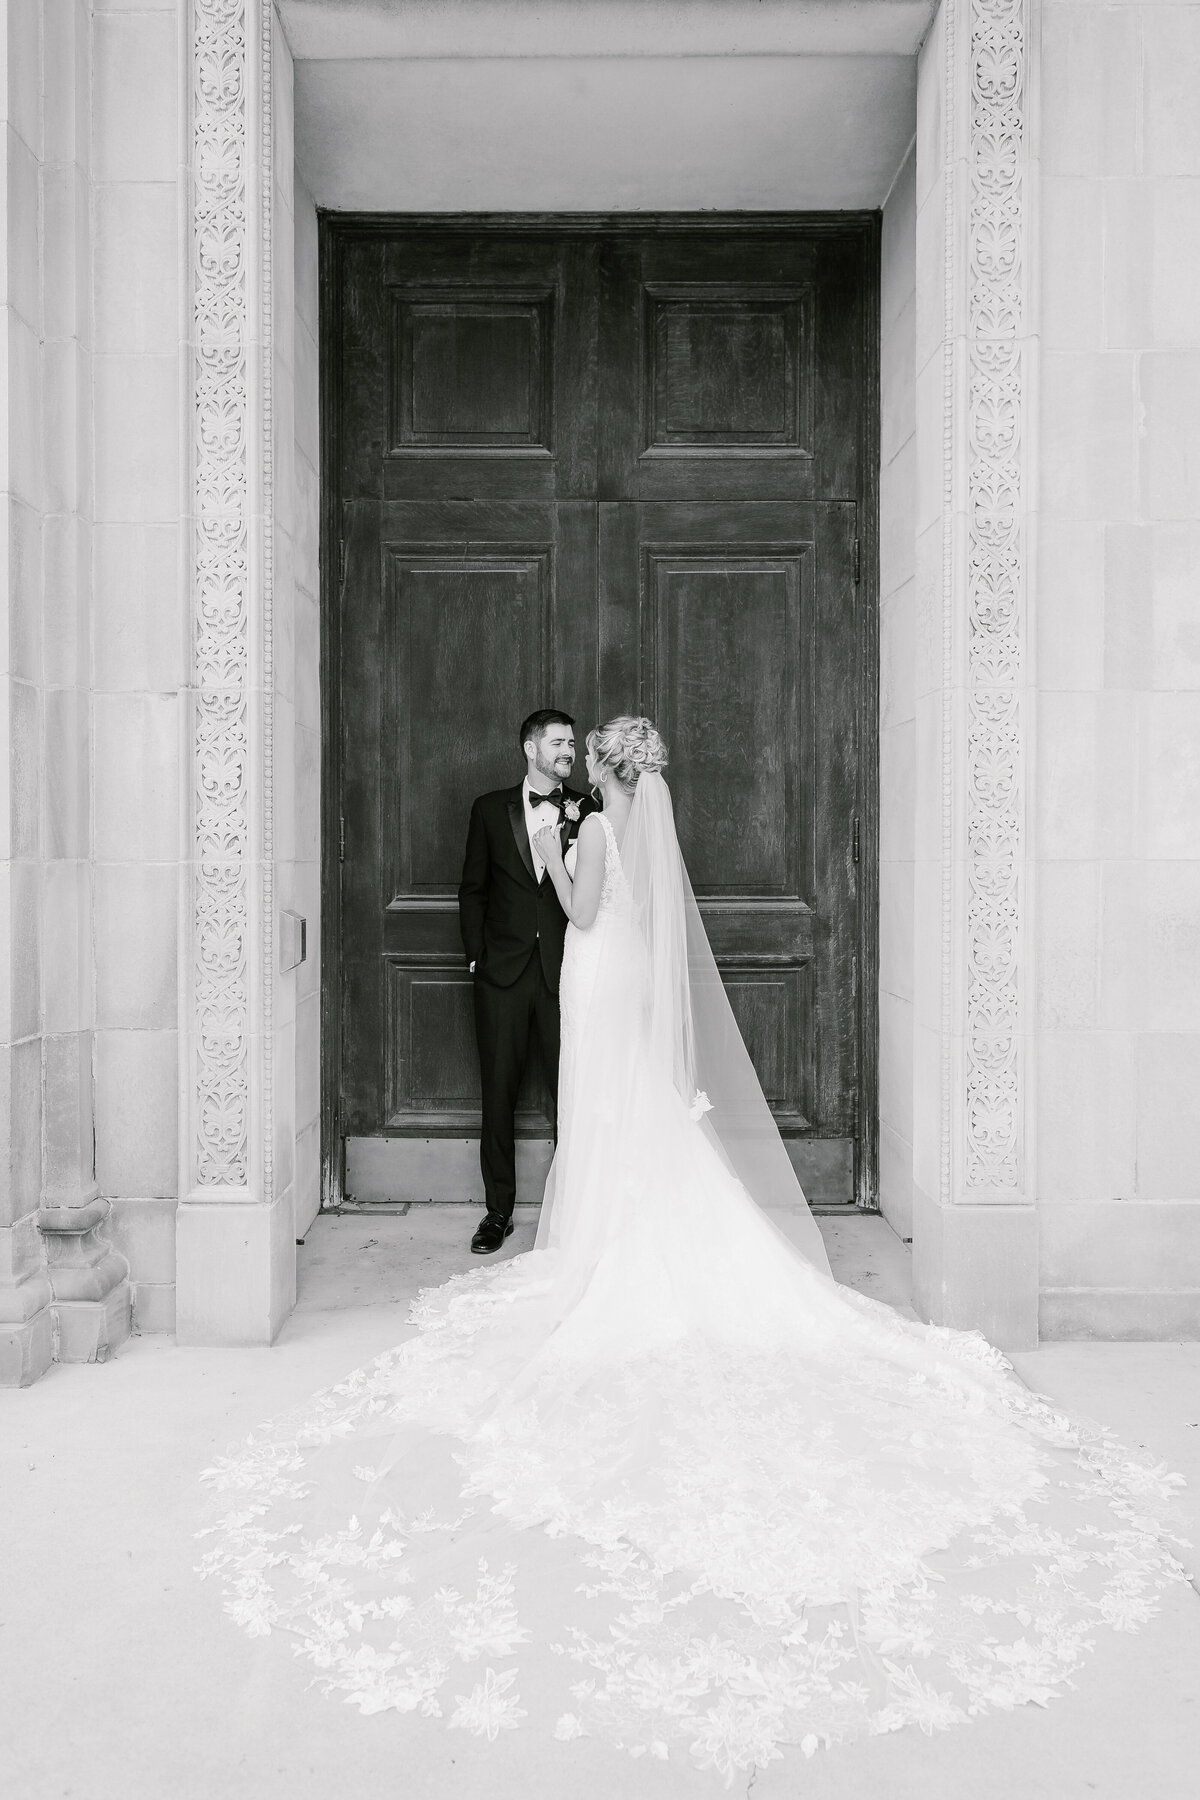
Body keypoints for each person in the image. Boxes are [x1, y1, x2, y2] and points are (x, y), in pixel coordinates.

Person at [200, 717, 1184, 1781]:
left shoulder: (589, 836)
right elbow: (632, 924)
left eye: (591, 758)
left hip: (588, 972)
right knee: (630, 1110)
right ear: (648, 776)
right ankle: (645, 1219)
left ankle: (605, 1239)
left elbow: (578, 912)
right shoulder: (642, 835)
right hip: (617, 982)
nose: (577, 768)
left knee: (599, 1112)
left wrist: (561, 858)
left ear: (606, 773)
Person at [457, 709, 598, 1254]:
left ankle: (577, 1211)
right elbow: (474, 888)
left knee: (575, 1093)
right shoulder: (489, 809)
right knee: (498, 1093)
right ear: (530, 749)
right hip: (502, 976)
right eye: (557, 741)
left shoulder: (589, 810)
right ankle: (497, 1212)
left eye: (570, 742)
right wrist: (477, 958)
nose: (567, 749)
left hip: (568, 973)